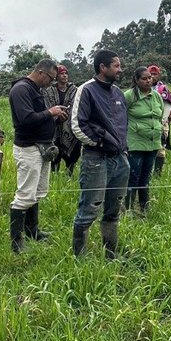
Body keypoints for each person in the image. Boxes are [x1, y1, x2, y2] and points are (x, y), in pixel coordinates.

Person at [70, 49, 129, 258]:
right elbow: (77, 125)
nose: (120, 69)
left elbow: (122, 125)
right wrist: (99, 143)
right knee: (89, 209)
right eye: (116, 65)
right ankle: (80, 257)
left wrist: (123, 150)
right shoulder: (86, 90)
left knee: (114, 209)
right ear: (102, 67)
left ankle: (110, 253)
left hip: (120, 159)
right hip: (96, 159)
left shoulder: (119, 93)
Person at [8, 59, 69, 253]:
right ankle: (16, 242)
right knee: (25, 194)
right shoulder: (21, 90)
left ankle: (32, 231)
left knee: (38, 192)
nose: (51, 83)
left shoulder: (35, 90)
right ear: (41, 73)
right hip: (28, 148)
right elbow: (26, 119)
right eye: (51, 78)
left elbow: (39, 117)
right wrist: (50, 112)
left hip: (41, 148)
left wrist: (54, 116)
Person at [124, 66, 164, 214]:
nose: (148, 81)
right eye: (144, 78)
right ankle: (128, 209)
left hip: (153, 143)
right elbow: (119, 116)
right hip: (135, 143)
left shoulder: (156, 96)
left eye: (150, 78)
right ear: (136, 80)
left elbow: (159, 116)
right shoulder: (129, 96)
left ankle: (144, 208)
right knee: (133, 177)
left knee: (146, 177)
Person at [42, 64, 80, 175]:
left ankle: (69, 174)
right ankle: (54, 175)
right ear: (57, 76)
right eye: (61, 74)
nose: (64, 76)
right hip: (54, 128)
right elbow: (46, 106)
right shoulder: (49, 91)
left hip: (70, 127)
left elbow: (77, 106)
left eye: (66, 73)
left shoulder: (75, 90)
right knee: (55, 154)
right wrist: (55, 116)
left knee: (72, 156)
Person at [148, 64, 171, 177]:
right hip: (146, 123)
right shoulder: (142, 88)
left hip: (161, 122)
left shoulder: (162, 89)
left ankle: (157, 173)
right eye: (150, 74)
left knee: (160, 147)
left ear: (159, 75)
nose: (152, 76)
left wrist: (162, 122)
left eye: (155, 74)